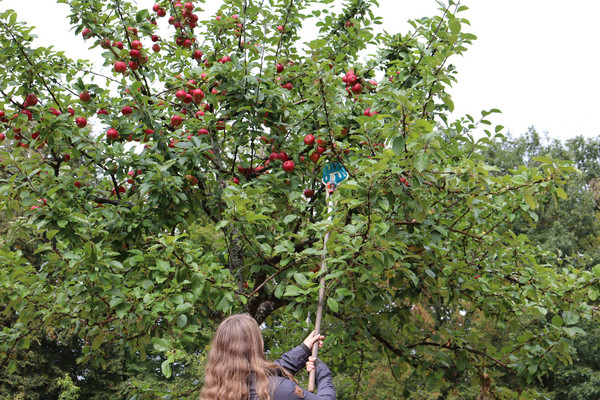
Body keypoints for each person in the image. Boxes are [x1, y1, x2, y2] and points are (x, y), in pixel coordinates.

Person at [200, 313, 336, 400]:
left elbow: (264, 373)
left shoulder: (218, 390)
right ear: (255, 346)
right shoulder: (277, 390)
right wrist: (322, 372)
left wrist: (304, 350)